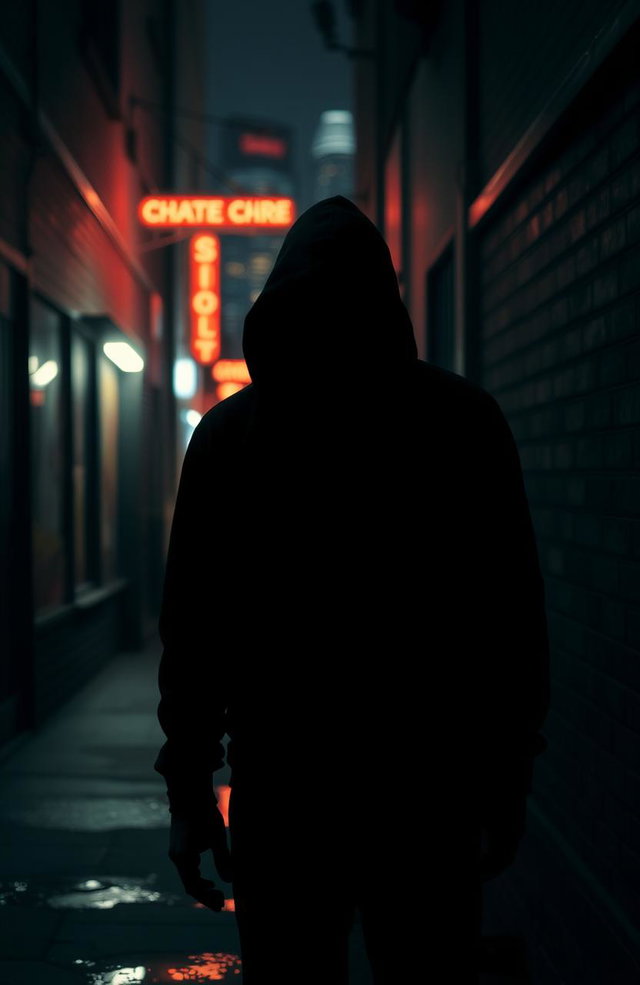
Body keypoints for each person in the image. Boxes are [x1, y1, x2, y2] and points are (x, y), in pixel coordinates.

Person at [153, 195, 551, 984]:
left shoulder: (232, 439)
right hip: (425, 792)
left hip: (287, 789)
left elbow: (195, 631)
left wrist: (192, 791)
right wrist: (506, 778)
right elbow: (511, 620)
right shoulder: (463, 424)